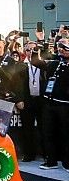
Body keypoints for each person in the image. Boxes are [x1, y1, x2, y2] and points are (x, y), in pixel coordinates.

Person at [31, 36, 69, 170]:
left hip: (65, 104)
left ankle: (67, 162)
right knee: (48, 132)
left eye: (64, 48)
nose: (61, 50)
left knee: (65, 133)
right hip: (49, 103)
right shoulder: (55, 63)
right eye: (59, 47)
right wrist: (36, 49)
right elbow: (36, 62)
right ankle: (51, 161)